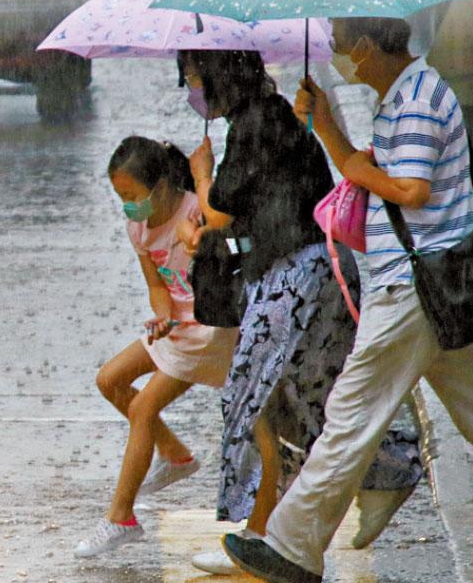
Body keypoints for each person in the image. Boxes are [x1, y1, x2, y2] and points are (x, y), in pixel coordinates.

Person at [222, 18, 473, 583]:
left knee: (351, 417)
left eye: (339, 42)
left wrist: (338, 144)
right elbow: (394, 176)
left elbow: (410, 190)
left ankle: (291, 547)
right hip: (432, 291)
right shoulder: (408, 94)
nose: (335, 52)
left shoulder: (414, 99)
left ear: (366, 46)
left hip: (412, 288)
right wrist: (333, 133)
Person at [179, 49, 424, 576]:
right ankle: (276, 529)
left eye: (195, 78)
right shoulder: (264, 118)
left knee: (256, 403)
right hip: (313, 274)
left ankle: (270, 528)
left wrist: (200, 175)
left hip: (297, 280)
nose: (192, 90)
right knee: (307, 402)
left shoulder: (255, 124)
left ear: (218, 77)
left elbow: (221, 208)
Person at [74, 137, 238, 558]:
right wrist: (161, 315)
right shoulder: (139, 228)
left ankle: (120, 519)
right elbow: (156, 285)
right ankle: (176, 455)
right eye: (120, 198)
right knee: (110, 379)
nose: (127, 206)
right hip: (178, 326)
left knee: (143, 408)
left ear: (162, 184)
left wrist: (202, 218)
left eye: (131, 196)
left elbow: (229, 229)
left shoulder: (194, 209)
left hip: (209, 328)